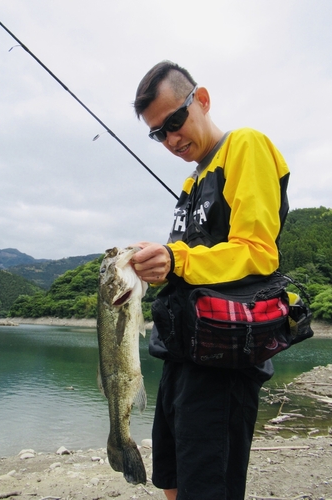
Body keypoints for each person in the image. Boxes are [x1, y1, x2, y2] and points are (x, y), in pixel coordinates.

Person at [130, 61, 290, 500]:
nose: (171, 139)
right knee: (173, 477)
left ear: (201, 99)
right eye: (157, 133)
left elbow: (258, 251)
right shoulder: (192, 180)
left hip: (224, 359)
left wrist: (175, 258)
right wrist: (154, 264)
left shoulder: (246, 146)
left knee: (208, 487)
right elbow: (187, 265)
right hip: (183, 354)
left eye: (175, 123)